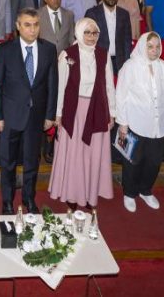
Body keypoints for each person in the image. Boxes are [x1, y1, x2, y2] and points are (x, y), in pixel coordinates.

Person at [0, 8, 57, 214]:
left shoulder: (49, 49)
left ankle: (29, 198)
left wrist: (50, 115)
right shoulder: (5, 50)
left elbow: (52, 85)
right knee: (7, 162)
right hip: (10, 116)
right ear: (18, 26)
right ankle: (7, 201)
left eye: (36, 25)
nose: (32, 29)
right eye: (27, 25)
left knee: (31, 162)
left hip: (36, 117)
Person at [48, 18, 116, 209]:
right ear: (79, 32)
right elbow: (60, 88)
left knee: (92, 154)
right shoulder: (67, 55)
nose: (91, 37)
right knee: (76, 154)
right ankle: (72, 193)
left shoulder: (103, 55)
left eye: (95, 33)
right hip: (74, 111)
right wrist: (58, 114)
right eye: (87, 32)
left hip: (97, 109)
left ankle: (89, 194)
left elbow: (109, 86)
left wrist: (112, 112)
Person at [114, 32, 164, 212]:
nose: (154, 50)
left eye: (157, 46)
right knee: (133, 160)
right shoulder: (130, 66)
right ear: (142, 46)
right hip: (135, 123)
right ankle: (129, 192)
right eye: (150, 47)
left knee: (154, 161)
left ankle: (145, 190)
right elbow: (121, 95)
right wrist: (123, 122)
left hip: (158, 125)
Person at [85, 0, 132, 74]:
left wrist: (127, 62)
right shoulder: (92, 14)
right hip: (98, 61)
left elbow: (127, 40)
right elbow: (87, 41)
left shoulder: (124, 14)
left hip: (119, 62)